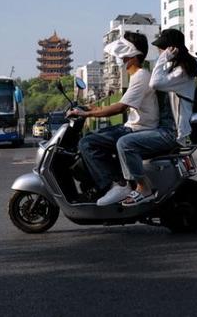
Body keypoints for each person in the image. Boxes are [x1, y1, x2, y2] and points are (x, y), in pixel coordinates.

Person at [68, 32, 165, 206]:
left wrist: (87, 114)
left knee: (87, 143)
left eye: (124, 56)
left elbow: (120, 107)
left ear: (134, 57)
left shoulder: (141, 76)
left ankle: (118, 185)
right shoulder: (138, 76)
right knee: (91, 138)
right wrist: (87, 108)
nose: (122, 60)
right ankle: (114, 182)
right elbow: (120, 103)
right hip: (133, 126)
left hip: (140, 129)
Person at [116, 29, 197, 207]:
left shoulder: (182, 72)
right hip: (164, 128)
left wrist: (163, 59)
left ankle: (142, 188)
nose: (160, 52)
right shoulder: (174, 70)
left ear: (172, 49)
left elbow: (155, 82)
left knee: (125, 143)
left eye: (162, 49)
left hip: (172, 133)